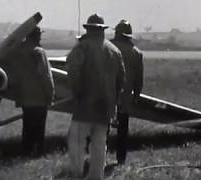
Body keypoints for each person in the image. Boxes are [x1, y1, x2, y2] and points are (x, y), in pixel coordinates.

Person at [66, 13, 125, 179]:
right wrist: (114, 100)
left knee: (77, 141)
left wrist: (77, 93)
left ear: (88, 28)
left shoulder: (82, 47)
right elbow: (122, 78)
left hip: (85, 104)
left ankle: (76, 174)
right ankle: (96, 176)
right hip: (106, 106)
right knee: (99, 144)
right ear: (103, 30)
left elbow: (73, 71)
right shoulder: (115, 50)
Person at [0, 26, 55, 157]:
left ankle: (26, 151)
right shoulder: (39, 52)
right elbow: (45, 75)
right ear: (36, 35)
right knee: (39, 128)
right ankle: (37, 153)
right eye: (39, 34)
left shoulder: (18, 51)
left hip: (24, 96)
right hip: (39, 96)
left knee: (28, 125)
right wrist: (50, 94)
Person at [110, 19, 144, 164]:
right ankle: (121, 158)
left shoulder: (109, 47)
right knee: (123, 128)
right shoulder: (136, 52)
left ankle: (99, 156)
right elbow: (139, 77)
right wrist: (136, 95)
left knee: (101, 127)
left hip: (108, 93)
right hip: (125, 95)